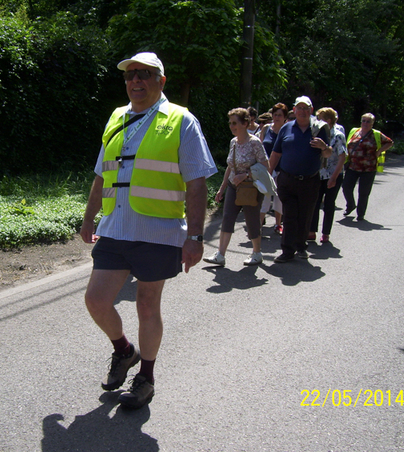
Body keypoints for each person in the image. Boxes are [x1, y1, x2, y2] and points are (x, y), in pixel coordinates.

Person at [79, 52, 217, 409]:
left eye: (144, 74)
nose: (135, 81)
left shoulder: (181, 121)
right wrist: (89, 216)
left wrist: (196, 236)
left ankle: (147, 378)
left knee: (146, 304)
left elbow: (197, 183)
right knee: (95, 300)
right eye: (130, 76)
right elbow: (101, 173)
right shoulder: (116, 117)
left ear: (161, 81)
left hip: (158, 230)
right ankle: (125, 350)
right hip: (114, 227)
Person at [268, 96, 332, 263]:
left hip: (310, 181)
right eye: (299, 108)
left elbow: (328, 154)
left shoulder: (320, 129)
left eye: (306, 108)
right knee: (289, 215)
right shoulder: (286, 128)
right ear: (294, 110)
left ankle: (301, 246)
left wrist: (324, 147)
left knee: (305, 215)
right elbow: (276, 153)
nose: (302, 111)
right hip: (287, 180)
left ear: (311, 111)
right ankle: (287, 251)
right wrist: (267, 174)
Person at [203, 108, 268, 267]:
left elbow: (265, 166)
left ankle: (257, 253)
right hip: (233, 186)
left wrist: (246, 176)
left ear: (245, 123)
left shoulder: (254, 143)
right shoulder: (233, 142)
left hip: (250, 188)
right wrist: (222, 187)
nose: (232, 126)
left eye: (235, 123)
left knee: (252, 220)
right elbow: (230, 167)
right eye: (230, 123)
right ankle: (220, 255)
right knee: (227, 218)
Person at [342, 113, 393, 221]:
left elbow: (389, 142)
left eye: (368, 121)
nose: (365, 123)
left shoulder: (376, 134)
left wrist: (379, 151)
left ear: (372, 123)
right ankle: (350, 205)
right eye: (363, 120)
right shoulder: (354, 131)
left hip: (368, 168)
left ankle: (361, 214)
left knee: (364, 192)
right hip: (352, 166)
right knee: (346, 187)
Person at [309, 107, 347, 243]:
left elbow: (342, 157)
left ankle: (326, 233)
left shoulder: (337, 135)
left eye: (320, 118)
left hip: (333, 174)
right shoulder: (317, 133)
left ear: (328, 120)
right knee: (315, 203)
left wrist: (334, 178)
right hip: (318, 175)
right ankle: (312, 231)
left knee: (329, 204)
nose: (317, 121)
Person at [258, 103, 288, 235]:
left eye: (279, 115)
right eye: (275, 114)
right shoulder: (266, 128)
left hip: (282, 169)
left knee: (279, 198)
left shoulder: (287, 130)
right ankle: (258, 225)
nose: (276, 117)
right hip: (266, 169)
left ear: (285, 117)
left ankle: (278, 224)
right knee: (264, 196)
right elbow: (259, 147)